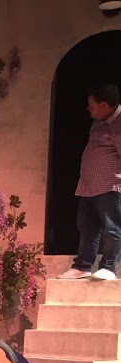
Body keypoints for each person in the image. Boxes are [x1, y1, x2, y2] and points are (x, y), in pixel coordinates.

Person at [58, 83, 121, 281]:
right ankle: (82, 266)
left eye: (92, 105)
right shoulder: (98, 122)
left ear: (104, 105)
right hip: (88, 185)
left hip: (110, 185)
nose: (88, 109)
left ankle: (109, 267)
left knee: (112, 228)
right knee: (87, 228)